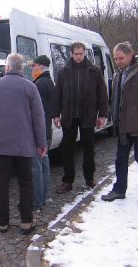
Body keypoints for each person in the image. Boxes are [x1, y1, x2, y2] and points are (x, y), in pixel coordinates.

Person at [0, 53, 47, 235]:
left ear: (7, 67)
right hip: (24, 146)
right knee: (25, 182)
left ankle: (2, 223)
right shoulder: (30, 87)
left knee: (1, 183)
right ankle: (26, 221)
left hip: (0, 145)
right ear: (22, 68)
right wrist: (41, 143)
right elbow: (38, 118)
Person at [53, 42, 108, 194]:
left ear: (84, 53)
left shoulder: (93, 71)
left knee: (89, 149)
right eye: (75, 54)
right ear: (71, 54)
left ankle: (89, 178)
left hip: (88, 116)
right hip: (69, 116)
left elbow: (102, 94)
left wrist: (103, 114)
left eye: (81, 54)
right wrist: (56, 115)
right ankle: (67, 180)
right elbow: (58, 95)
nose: (78, 56)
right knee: (67, 149)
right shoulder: (63, 72)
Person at [102, 42, 138, 201]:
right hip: (123, 125)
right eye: (116, 59)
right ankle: (119, 190)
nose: (117, 61)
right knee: (120, 160)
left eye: (120, 58)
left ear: (131, 55)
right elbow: (115, 99)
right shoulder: (118, 74)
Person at [29, 55, 56, 210]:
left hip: (40, 131)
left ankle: (37, 200)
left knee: (37, 167)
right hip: (46, 129)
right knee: (44, 165)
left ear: (41, 66)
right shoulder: (48, 81)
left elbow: (36, 111)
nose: (32, 68)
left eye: (34, 66)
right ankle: (43, 197)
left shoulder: (39, 84)